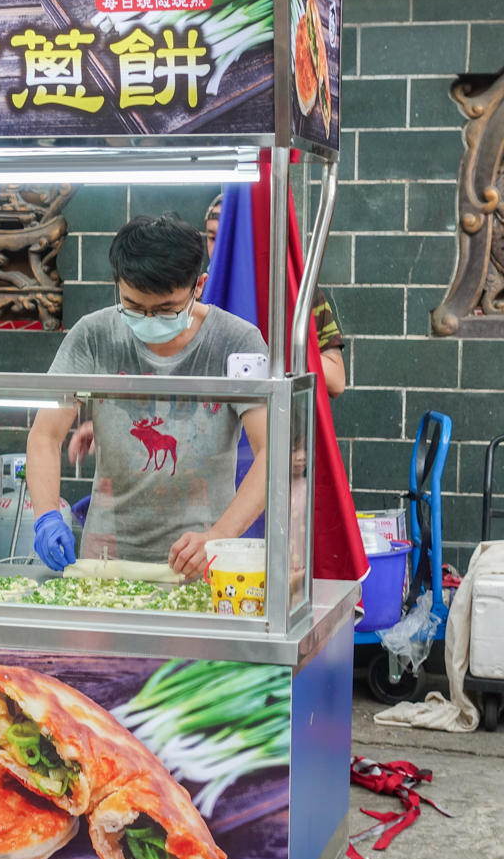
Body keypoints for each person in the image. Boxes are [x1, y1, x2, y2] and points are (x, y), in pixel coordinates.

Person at [27, 213, 268, 579]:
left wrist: (218, 537)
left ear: (199, 286)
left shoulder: (236, 342)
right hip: (106, 558)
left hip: (201, 561)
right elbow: (45, 435)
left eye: (166, 310)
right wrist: (46, 515)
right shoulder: (94, 335)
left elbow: (271, 451)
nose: (149, 320)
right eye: (135, 307)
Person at [204, 195, 346, 398]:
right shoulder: (197, 292)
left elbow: (336, 381)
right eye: (212, 238)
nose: (218, 250)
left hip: (280, 420)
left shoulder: (301, 296)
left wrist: (280, 346)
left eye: (231, 241)